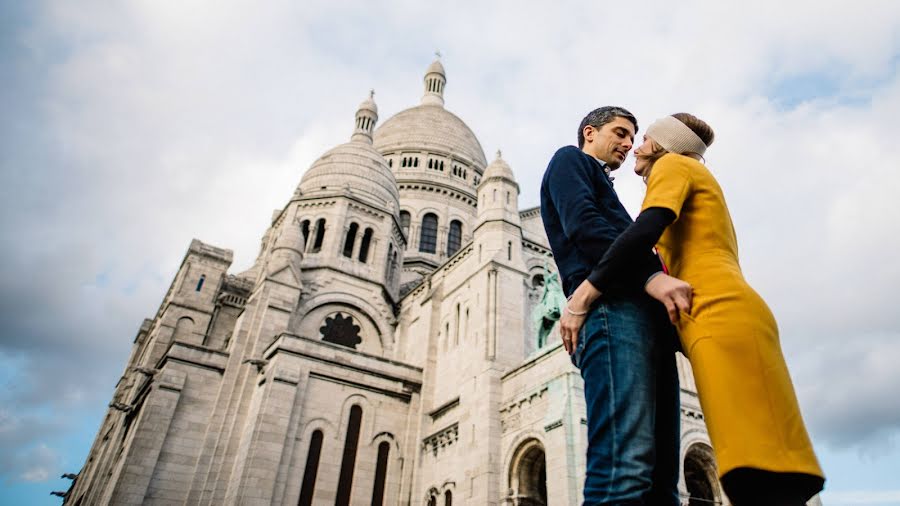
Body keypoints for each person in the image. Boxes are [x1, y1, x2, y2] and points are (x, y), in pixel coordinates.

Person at [562, 112, 826, 505]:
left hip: (717, 312)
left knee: (758, 466)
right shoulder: (680, 172)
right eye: (625, 134)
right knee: (760, 462)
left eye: (644, 137)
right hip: (716, 316)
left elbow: (647, 228)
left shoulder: (672, 165)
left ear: (664, 145)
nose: (635, 145)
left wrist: (584, 294)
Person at [540, 106, 692, 505]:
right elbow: (585, 227)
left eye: (633, 137)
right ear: (589, 132)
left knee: (662, 484)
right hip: (611, 313)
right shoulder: (569, 161)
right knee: (623, 469)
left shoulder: (610, 190)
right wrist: (651, 276)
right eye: (621, 133)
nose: (628, 144)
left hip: (648, 324)